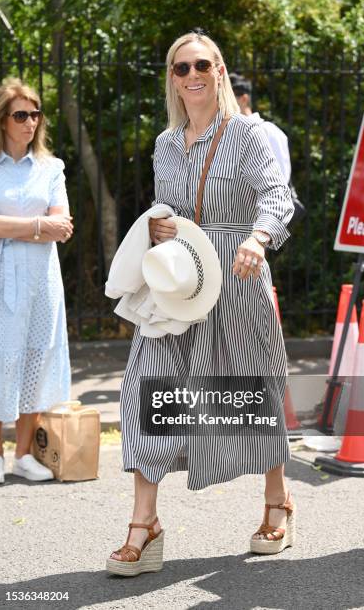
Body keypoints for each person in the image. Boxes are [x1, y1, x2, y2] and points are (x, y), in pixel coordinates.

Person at [107, 31, 295, 577]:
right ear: (172, 77)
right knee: (147, 384)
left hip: (237, 276)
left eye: (201, 65)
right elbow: (167, 205)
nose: (191, 75)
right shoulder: (166, 144)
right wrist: (158, 222)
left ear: (219, 71)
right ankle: (145, 527)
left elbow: (277, 195)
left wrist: (258, 238)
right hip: (181, 281)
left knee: (249, 390)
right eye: (179, 67)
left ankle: (277, 501)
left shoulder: (247, 134)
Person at [0, 78, 73, 484]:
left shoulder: (50, 168)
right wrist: (38, 224)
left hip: (42, 281)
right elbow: (49, 223)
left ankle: (24, 454)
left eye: (35, 114)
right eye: (20, 115)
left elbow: (63, 226)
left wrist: (15, 226)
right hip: (0, 278)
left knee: (35, 360)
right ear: (3, 120)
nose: (30, 122)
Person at [229, 73, 291, 184]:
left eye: (228, 99)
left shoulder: (269, 132)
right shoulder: (224, 135)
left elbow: (281, 182)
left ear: (244, 99)